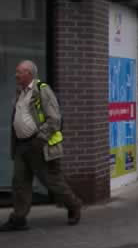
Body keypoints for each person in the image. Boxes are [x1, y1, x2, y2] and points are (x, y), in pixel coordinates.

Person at [2, 61, 82, 231]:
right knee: (20, 183)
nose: (16, 75)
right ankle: (19, 218)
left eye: (19, 72)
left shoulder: (42, 90)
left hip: (37, 144)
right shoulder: (20, 92)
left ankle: (74, 205)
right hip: (21, 146)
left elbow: (55, 119)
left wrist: (41, 138)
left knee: (51, 181)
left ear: (29, 74)